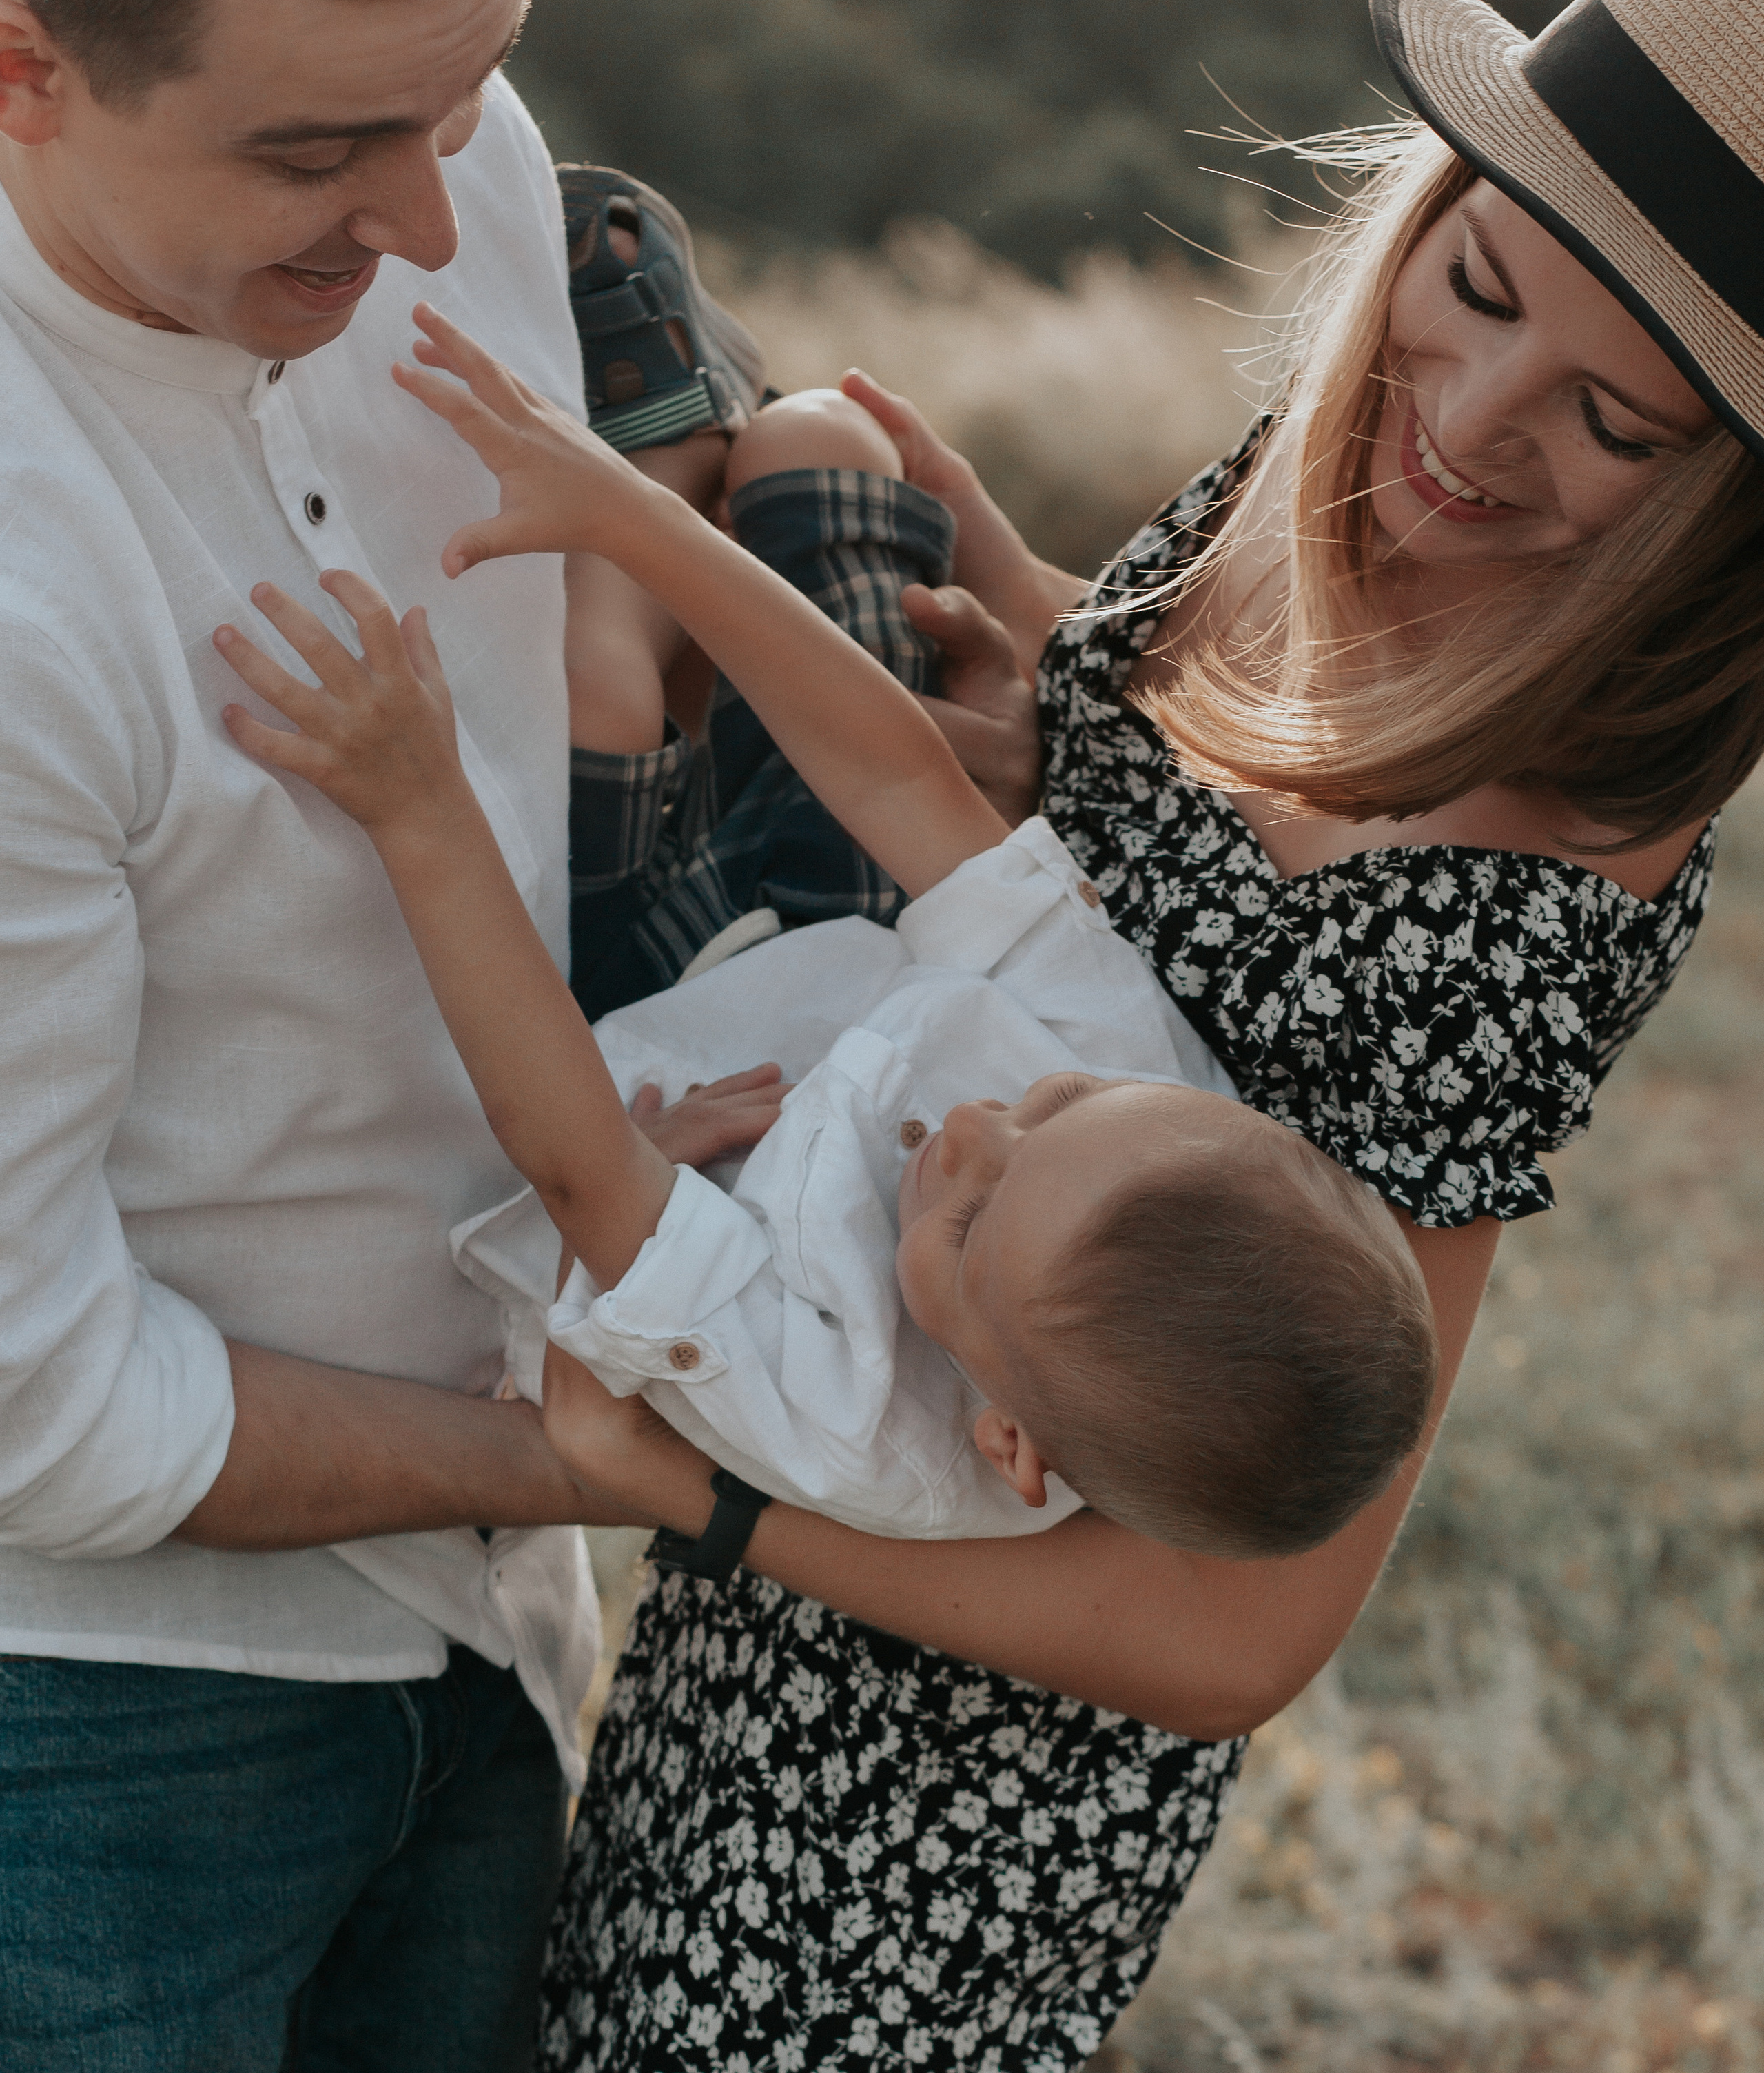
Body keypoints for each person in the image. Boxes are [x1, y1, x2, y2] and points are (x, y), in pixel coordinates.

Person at [434, 0, 1764, 2073]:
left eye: (1617, 426)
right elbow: (1150, 884)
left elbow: (1241, 1616)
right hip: (862, 1338)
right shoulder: (1343, 494)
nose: (1480, 421)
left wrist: (699, 1493)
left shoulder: (1549, 864)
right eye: (1477, 287)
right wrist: (1038, 626)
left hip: (961, 1716)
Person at [0, 0, 656, 2073]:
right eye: (314, 150)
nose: (426, 220)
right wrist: (610, 1462)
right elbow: (35, 1402)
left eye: (465, 92)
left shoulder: (446, 177)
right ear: (21, 70)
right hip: (81, 1744)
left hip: (479, 1661)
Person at [210, 310, 1435, 1555]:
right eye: (1053, 1102)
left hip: (591, 1045)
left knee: (600, 675)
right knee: (803, 448)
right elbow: (909, 790)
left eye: (966, 1226)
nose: (975, 1132)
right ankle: (656, 487)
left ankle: (637, 573)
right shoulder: (1140, 1096)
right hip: (808, 953)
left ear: (1009, 1440)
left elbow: (577, 1154)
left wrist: (421, 808)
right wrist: (629, 520)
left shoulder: (842, 1415)